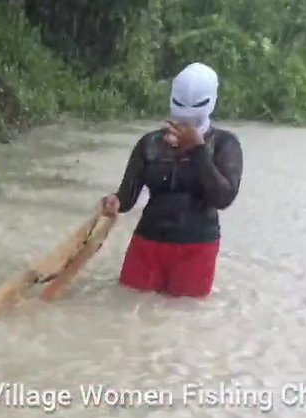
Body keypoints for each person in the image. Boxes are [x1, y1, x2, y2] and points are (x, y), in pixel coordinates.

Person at [100, 62, 243, 298]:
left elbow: (224, 197)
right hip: (148, 243)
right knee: (126, 309)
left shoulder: (224, 144)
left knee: (184, 321)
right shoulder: (150, 143)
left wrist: (198, 151)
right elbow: (127, 196)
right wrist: (113, 201)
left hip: (197, 248)